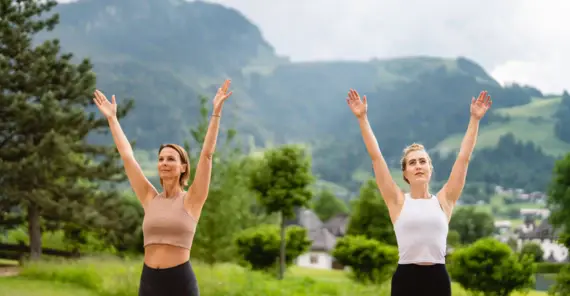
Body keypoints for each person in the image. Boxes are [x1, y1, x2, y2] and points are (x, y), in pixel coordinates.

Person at [92, 79, 234, 296]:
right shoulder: (150, 198)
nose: (164, 163)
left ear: (183, 167)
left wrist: (216, 112)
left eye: (171, 159)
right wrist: (112, 119)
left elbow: (206, 155)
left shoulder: (192, 200)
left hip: (180, 283)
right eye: (161, 159)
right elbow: (127, 156)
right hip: (149, 281)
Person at [346, 89, 492, 296]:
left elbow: (463, 158)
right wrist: (362, 118)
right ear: (405, 173)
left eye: (423, 161)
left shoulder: (445, 200)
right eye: (412, 163)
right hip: (406, 279)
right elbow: (377, 158)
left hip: (438, 279)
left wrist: (475, 120)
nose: (418, 166)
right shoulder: (397, 201)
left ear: (430, 169)